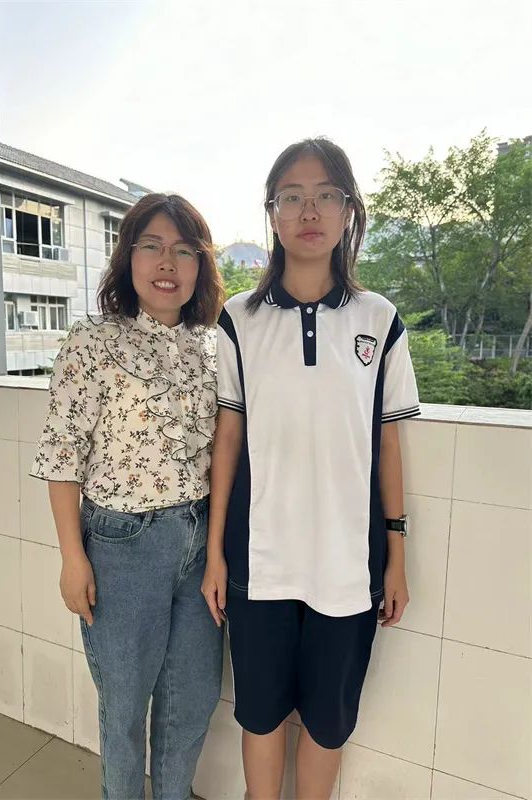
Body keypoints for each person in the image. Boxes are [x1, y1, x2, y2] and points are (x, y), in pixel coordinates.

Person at [202, 137, 420, 800]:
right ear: (271, 213)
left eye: (326, 195)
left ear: (349, 210)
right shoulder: (238, 319)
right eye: (291, 197)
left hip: (347, 565)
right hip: (259, 560)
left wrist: (396, 554)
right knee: (260, 715)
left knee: (328, 723)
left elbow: (387, 442)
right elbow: (228, 439)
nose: (309, 211)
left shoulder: (379, 320)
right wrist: (215, 553)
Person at [31, 193, 225, 800]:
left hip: (200, 542)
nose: (167, 263)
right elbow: (62, 454)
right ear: (128, 257)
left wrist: (217, 549)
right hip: (123, 545)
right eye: (152, 246)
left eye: (184, 251)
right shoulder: (92, 341)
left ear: (200, 265)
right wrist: (73, 558)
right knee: (124, 709)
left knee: (191, 701)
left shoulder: (213, 345)